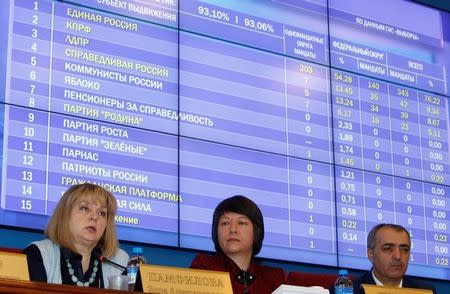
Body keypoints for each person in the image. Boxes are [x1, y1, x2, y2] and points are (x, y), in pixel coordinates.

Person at [24, 183, 128, 288]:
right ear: (65, 214)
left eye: (102, 213)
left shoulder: (120, 262)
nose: (94, 217)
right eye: (84, 208)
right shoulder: (39, 254)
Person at [190, 195, 286, 294]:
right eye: (225, 223)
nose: (233, 230)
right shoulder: (204, 267)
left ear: (256, 232)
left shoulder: (275, 279)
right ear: (216, 232)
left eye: (241, 223)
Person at [352, 223, 435, 294]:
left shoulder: (424, 291)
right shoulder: (352, 290)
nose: (398, 256)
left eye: (404, 250)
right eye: (388, 249)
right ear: (371, 254)